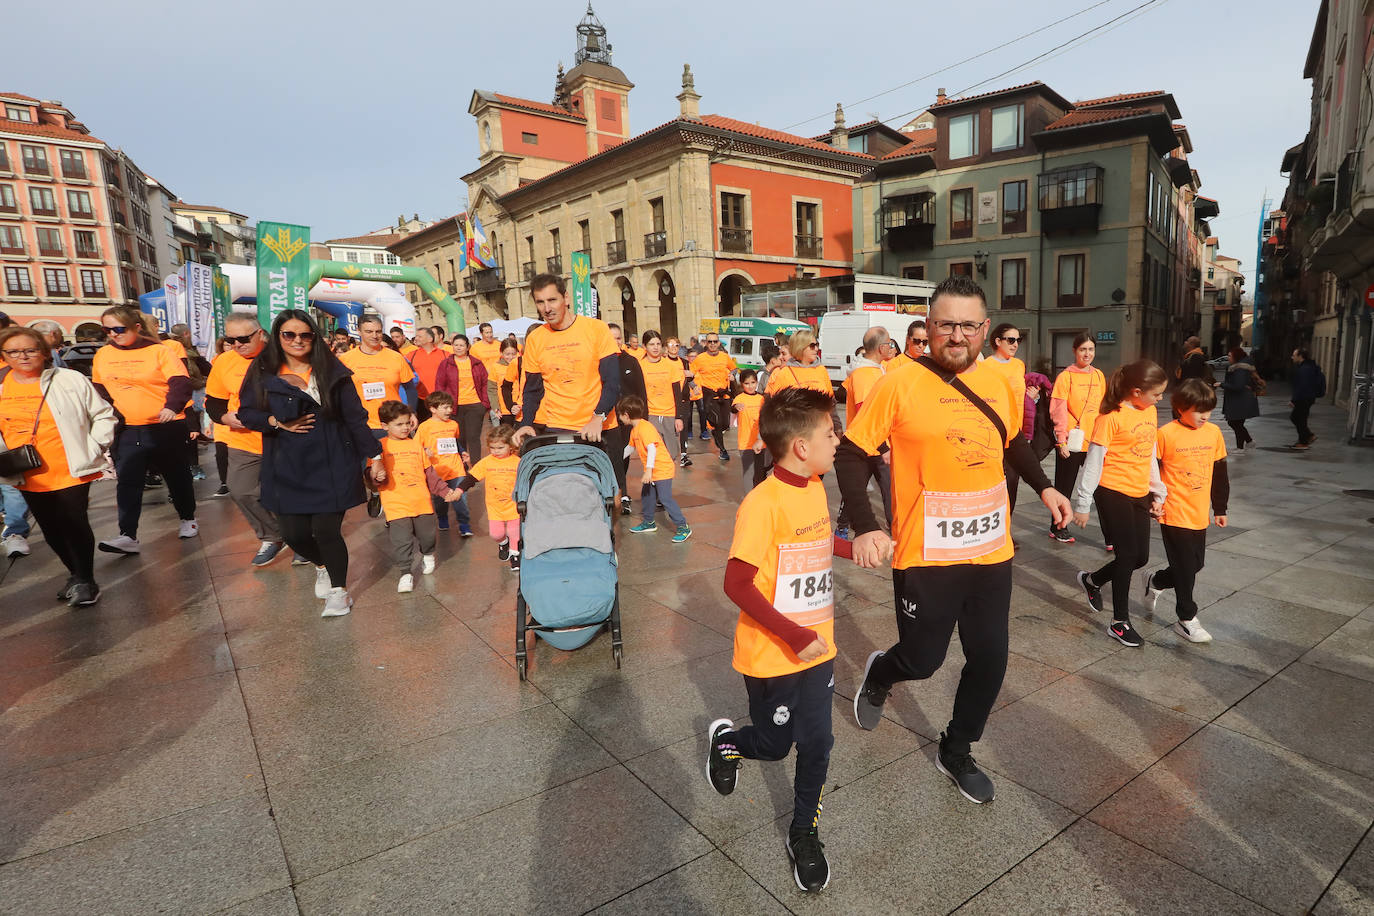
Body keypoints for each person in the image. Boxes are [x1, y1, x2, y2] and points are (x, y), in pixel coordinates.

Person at [843, 275, 1070, 805]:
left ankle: (957, 747)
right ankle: (883, 669)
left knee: (990, 658)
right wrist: (867, 524)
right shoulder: (898, 382)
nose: (956, 335)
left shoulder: (1000, 381)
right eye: (946, 324)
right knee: (924, 661)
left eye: (968, 325)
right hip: (927, 554)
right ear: (930, 325)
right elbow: (853, 454)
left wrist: (1047, 486)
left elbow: (1011, 440)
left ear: (984, 329)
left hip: (991, 549)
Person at [704, 386, 864, 893]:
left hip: (818, 649)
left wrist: (850, 547)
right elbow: (736, 582)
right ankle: (727, 742)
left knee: (817, 741)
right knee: (774, 747)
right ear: (799, 445)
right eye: (829, 431)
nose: (837, 438)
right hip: (773, 654)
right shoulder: (762, 503)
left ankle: (804, 832)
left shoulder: (814, 485)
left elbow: (812, 542)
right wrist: (793, 634)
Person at [237, 310, 383, 617]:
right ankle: (321, 565)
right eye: (289, 334)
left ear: (314, 337)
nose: (297, 340)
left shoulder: (332, 369)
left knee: (327, 529)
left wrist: (375, 456)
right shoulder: (262, 370)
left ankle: (339, 592)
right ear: (277, 337)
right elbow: (247, 413)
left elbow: (355, 417)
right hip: (286, 464)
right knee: (294, 535)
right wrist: (276, 421)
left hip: (334, 460)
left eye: (305, 335)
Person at [0, 326, 116, 605]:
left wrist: (96, 445)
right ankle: (76, 575)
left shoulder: (69, 379)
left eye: (30, 350)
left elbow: (103, 414)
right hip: (24, 469)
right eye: (13, 352)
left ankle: (86, 581)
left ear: (44, 351)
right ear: (4, 356)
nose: (23, 356)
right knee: (50, 528)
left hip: (69, 465)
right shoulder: (2, 387)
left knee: (74, 523)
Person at [1070, 359, 1169, 647]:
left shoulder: (1148, 412)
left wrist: (1157, 492)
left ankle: (1092, 580)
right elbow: (1094, 462)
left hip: (1139, 491)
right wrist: (1083, 503)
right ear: (1136, 391)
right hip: (1112, 490)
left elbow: (1149, 454)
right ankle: (1119, 622)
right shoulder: (1109, 417)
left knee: (1140, 558)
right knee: (1126, 557)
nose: (1160, 399)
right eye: (1157, 394)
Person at [91, 305, 198, 554]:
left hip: (165, 425)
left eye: (119, 329)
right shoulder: (103, 355)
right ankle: (128, 535)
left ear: (136, 327)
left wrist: (173, 406)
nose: (113, 334)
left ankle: (187, 518)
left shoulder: (159, 351)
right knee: (128, 481)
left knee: (177, 476)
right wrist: (112, 414)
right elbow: (98, 389)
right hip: (127, 429)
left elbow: (180, 382)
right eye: (107, 330)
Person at [1145, 378, 1229, 643]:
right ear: (1181, 408)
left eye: (1208, 410)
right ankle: (1186, 618)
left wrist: (1220, 507)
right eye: (1198, 410)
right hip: (1173, 509)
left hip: (1198, 510)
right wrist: (1153, 501)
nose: (1204, 416)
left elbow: (1220, 472)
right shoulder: (1165, 434)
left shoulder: (1214, 433)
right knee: (1184, 567)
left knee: (1195, 565)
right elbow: (1151, 472)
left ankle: (1156, 581)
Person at [204, 314, 286, 567]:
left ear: (260, 334)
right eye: (230, 339)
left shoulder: (282, 357)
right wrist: (223, 417)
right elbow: (213, 401)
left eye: (243, 338)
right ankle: (273, 536)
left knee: (291, 492)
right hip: (242, 440)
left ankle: (303, 538)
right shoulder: (224, 361)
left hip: (282, 438)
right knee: (240, 490)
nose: (237, 344)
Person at [369, 400, 461, 594]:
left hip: (421, 501)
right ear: (385, 426)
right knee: (401, 540)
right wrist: (377, 476)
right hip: (396, 502)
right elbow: (371, 475)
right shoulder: (379, 448)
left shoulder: (416, 445)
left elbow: (430, 474)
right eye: (399, 424)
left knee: (427, 535)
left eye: (407, 423)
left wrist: (445, 491)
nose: (404, 428)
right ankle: (405, 573)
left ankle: (428, 553)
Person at [515, 274, 619, 445]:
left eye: (552, 300)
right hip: (557, 428)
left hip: (600, 427)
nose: (547, 308)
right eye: (540, 302)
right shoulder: (535, 338)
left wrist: (598, 417)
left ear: (566, 298)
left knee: (610, 472)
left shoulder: (596, 329)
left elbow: (612, 382)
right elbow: (532, 390)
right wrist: (526, 423)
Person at [1048, 333, 1106, 543]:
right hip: (1071, 441)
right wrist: (1061, 440)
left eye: (1091, 349)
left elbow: (1104, 408)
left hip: (1095, 441)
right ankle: (1058, 527)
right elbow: (1058, 410)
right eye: (1083, 349)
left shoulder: (1099, 375)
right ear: (1074, 351)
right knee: (1064, 487)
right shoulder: (1066, 376)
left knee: (1100, 488)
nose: (1087, 354)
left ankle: (1110, 535)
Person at [837, 327, 892, 535]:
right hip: (865, 445)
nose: (892, 348)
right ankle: (842, 527)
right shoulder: (862, 375)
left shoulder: (879, 369)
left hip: (879, 444)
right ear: (882, 348)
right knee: (855, 489)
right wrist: (883, 446)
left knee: (888, 490)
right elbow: (866, 412)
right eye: (890, 344)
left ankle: (894, 528)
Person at [450, 424, 523, 569]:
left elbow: (526, 480)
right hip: (494, 505)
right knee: (496, 534)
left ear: (511, 446)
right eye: (492, 448)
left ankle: (515, 554)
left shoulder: (517, 462)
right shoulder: (488, 462)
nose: (496, 451)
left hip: (513, 504)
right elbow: (472, 478)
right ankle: (503, 543)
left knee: (514, 532)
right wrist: (459, 490)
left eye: (500, 448)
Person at [621, 394, 691, 542]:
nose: (619, 418)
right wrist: (615, 459)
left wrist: (648, 470)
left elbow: (652, 449)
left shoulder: (645, 428)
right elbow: (629, 447)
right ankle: (648, 522)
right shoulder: (635, 430)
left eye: (620, 415)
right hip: (653, 470)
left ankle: (683, 526)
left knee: (665, 499)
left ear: (626, 415)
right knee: (647, 495)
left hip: (661, 469)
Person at [340, 316, 417, 436]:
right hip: (360, 425)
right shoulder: (346, 359)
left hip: (393, 424)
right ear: (358, 331)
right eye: (369, 332)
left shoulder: (396, 357)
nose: (374, 336)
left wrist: (412, 412)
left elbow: (410, 388)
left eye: (378, 331)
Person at [983, 323, 1028, 517]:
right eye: (1011, 340)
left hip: (1016, 432)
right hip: (993, 434)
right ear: (997, 341)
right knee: (994, 482)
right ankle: (991, 527)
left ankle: (1006, 528)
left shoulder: (1019, 365)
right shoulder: (986, 366)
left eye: (1018, 340)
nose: (1015, 344)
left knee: (1012, 481)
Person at [417, 391, 474, 536]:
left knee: (460, 497)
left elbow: (455, 441)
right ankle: (442, 517)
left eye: (450, 407)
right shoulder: (424, 427)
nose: (449, 411)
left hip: (456, 468)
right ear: (433, 409)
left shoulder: (454, 424)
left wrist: (462, 452)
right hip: (437, 470)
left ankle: (464, 525)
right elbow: (416, 447)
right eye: (445, 407)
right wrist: (424, 451)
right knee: (440, 499)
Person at [434, 334, 490, 460]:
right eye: (456, 345)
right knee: (460, 437)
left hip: (475, 405)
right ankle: (462, 467)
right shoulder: (446, 364)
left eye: (461, 345)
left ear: (467, 347)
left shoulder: (476, 363)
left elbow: (485, 383)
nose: (458, 348)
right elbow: (440, 385)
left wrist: (485, 404)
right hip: (454, 407)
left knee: (473, 437)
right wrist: (442, 405)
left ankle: (476, 467)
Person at [691, 332, 738, 461]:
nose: (712, 344)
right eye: (710, 342)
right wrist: (693, 385)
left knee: (725, 425)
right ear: (706, 343)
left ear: (719, 343)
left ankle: (716, 432)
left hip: (724, 395)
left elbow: (734, 368)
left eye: (715, 342)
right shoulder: (700, 358)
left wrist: (732, 375)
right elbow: (690, 374)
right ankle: (723, 450)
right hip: (709, 395)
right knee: (717, 422)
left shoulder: (724, 356)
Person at [764, 330, 831, 398]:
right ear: (800, 347)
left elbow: (831, 400)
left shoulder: (821, 370)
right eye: (812, 345)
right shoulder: (785, 372)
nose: (816, 349)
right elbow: (775, 403)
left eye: (817, 345)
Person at [1218, 347, 1260, 450]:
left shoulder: (1240, 369)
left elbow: (1238, 386)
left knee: (1235, 422)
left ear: (1236, 357)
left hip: (1241, 400)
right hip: (1242, 400)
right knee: (1237, 423)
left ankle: (1241, 446)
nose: (1228, 358)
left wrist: (1222, 384)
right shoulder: (1238, 367)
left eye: (1229, 356)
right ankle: (1248, 442)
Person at [731, 369, 766, 487]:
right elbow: (733, 409)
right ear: (742, 384)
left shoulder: (762, 399)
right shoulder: (739, 398)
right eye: (747, 383)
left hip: (761, 442)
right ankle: (748, 500)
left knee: (760, 474)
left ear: (757, 382)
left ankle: (758, 499)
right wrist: (736, 407)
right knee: (748, 474)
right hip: (745, 443)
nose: (750, 386)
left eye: (753, 382)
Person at [209, 335, 234, 498]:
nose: (230, 347)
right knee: (221, 452)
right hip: (222, 417)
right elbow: (212, 394)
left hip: (241, 417)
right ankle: (224, 482)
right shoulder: (217, 361)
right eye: (226, 345)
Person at [407, 327, 449, 422]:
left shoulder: (445, 355)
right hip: (420, 399)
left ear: (430, 339)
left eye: (419, 336)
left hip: (440, 399)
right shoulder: (410, 356)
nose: (416, 338)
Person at [1288, 348, 1325, 449]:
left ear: (1300, 356)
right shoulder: (1308, 367)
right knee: (1299, 418)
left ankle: (1304, 441)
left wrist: (1294, 400)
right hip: (1308, 397)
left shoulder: (1305, 369)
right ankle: (1307, 437)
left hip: (1304, 398)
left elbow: (1302, 386)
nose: (1292, 357)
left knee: (1298, 418)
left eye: (1294, 355)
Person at [469, 322, 504, 413]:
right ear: (481, 334)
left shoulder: (499, 345)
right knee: (490, 401)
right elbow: (474, 366)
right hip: (486, 379)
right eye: (487, 333)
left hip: (500, 377)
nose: (490, 335)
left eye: (491, 332)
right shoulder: (475, 348)